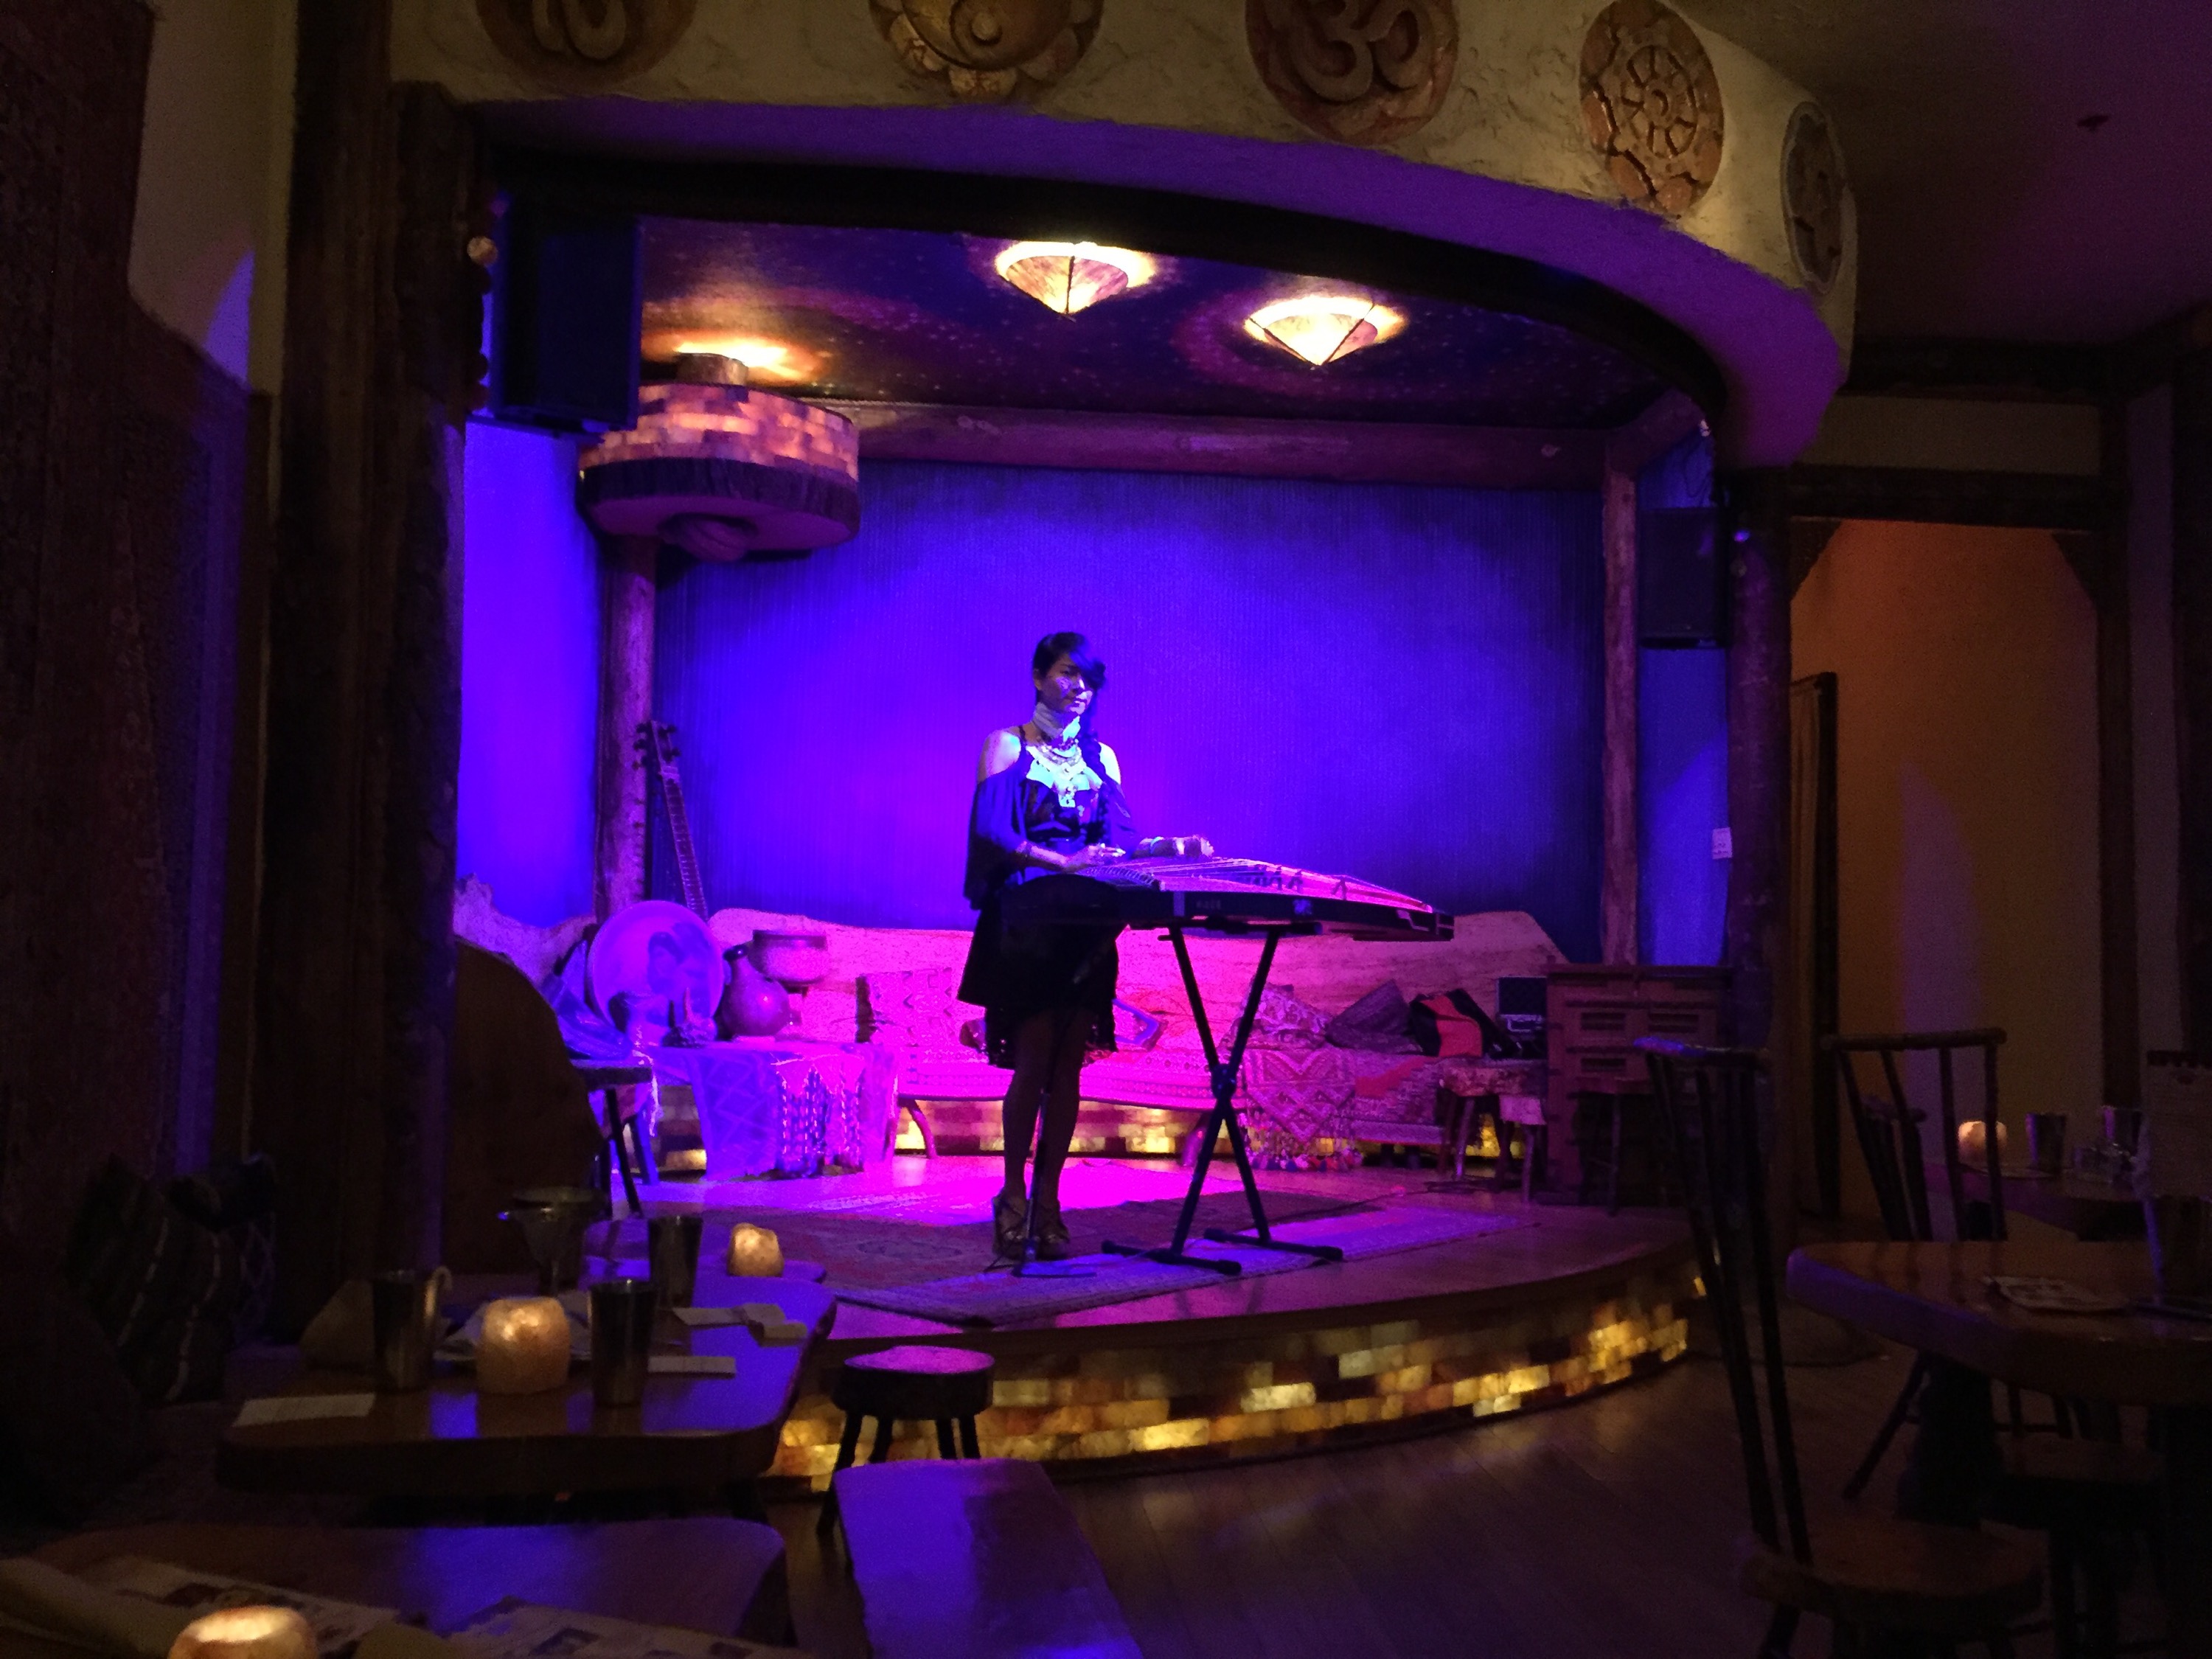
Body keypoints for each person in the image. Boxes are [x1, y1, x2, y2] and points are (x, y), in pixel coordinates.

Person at [957, 632, 1207, 1261]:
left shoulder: (1102, 758)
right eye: (1069, 673)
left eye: (1089, 679)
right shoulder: (1007, 744)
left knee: (1067, 1070)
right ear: (1039, 676)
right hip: (1028, 928)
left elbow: (1118, 841)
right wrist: (1062, 861)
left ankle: (1049, 1203)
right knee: (1033, 1063)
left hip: (1083, 929)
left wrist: (1169, 848)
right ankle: (1012, 1197)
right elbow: (991, 832)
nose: (1080, 688)